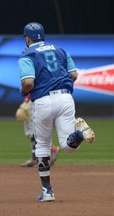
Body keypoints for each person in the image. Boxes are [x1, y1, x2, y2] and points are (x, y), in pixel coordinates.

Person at [18, 22, 95, 202]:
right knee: (67, 146)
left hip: (43, 101)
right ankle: (79, 133)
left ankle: (47, 191)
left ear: (28, 38)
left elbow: (28, 83)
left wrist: (24, 92)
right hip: (66, 99)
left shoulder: (27, 55)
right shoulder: (61, 50)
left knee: (43, 145)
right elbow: (74, 75)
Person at [16, 94, 60, 167]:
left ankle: (51, 149)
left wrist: (27, 100)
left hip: (33, 100)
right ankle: (36, 158)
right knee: (34, 130)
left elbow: (30, 84)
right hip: (37, 99)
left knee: (32, 131)